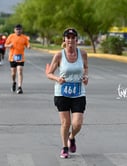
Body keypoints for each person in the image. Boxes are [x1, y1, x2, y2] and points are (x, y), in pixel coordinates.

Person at [46, 28, 89, 159]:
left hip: (78, 92)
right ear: (64, 40)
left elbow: (85, 67)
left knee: (77, 124)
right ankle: (65, 148)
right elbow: (49, 73)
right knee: (66, 123)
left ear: (77, 39)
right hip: (62, 92)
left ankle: (72, 137)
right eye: (68, 37)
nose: (70, 40)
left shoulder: (82, 54)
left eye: (73, 37)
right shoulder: (59, 55)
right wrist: (57, 79)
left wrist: (86, 76)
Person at [5, 24, 30, 94]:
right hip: (12, 57)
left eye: (19, 29)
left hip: (20, 57)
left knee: (20, 70)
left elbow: (27, 44)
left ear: (21, 30)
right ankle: (14, 82)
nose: (18, 31)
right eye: (17, 29)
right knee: (13, 73)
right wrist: (9, 45)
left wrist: (28, 46)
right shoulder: (11, 36)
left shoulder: (24, 37)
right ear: (14, 30)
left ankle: (19, 87)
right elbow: (5, 45)